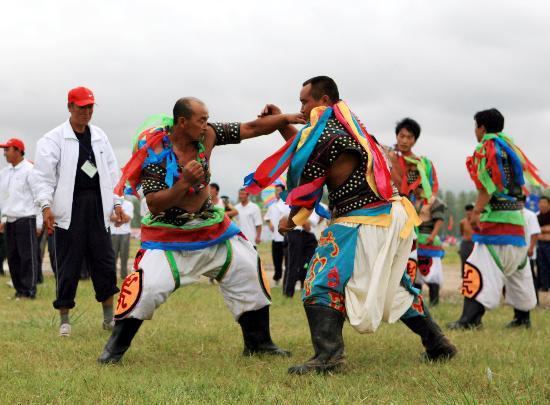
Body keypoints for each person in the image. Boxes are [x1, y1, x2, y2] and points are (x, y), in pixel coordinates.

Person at [248, 76, 456, 374]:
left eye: (304, 101)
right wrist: (283, 123)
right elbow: (307, 149)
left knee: (318, 281)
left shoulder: (328, 133)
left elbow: (308, 178)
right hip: (387, 216)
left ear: (323, 100)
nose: (301, 107)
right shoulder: (345, 127)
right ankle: (437, 344)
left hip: (363, 219)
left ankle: (329, 358)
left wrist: (292, 218)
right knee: (389, 285)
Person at [97, 97, 304, 364]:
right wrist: (184, 183)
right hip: (169, 234)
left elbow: (251, 128)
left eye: (207, 118)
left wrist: (285, 119)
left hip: (211, 227)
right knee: (147, 288)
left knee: (247, 267)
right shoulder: (156, 150)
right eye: (201, 119)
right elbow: (154, 203)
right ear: (182, 122)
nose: (206, 124)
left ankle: (259, 342)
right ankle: (113, 352)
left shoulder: (208, 134)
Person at [32, 86, 123, 337]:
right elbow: (43, 178)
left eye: (90, 107)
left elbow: (113, 174)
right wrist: (46, 206)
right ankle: (65, 320)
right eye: (82, 107)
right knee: (68, 264)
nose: (87, 112)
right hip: (68, 208)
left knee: (104, 262)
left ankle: (108, 318)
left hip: (97, 206)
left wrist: (116, 203)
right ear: (70, 107)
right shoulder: (53, 139)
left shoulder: (100, 137)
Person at [448, 108, 546, 330]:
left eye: (476, 127)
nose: (475, 131)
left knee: (477, 266)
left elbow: (487, 188)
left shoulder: (487, 149)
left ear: (481, 128)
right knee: (518, 270)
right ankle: (523, 318)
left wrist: (476, 213)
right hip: (517, 222)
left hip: (496, 226)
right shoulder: (511, 149)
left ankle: (470, 319)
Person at [386, 118, 444, 306]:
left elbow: (430, 190)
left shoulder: (422, 164)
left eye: (409, 137)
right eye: (401, 135)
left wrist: (424, 206)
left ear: (414, 140)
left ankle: (407, 298)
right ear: (396, 136)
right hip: (388, 211)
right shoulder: (385, 156)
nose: (404, 140)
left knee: (409, 257)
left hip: (412, 217)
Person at [0, 138, 41, 299]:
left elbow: (38, 197)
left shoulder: (30, 170)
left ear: (17, 150)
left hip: (26, 219)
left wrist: (38, 222)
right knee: (13, 257)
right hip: (10, 219)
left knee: (27, 257)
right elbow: (4, 198)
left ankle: (29, 291)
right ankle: (19, 289)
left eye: (7, 149)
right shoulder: (5, 172)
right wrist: (3, 218)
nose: (4, 153)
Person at [411, 185, 446, 306]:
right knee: (415, 274)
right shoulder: (412, 200)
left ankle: (434, 302)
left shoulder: (434, 201)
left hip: (428, 240)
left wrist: (432, 235)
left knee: (432, 273)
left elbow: (439, 219)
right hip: (415, 240)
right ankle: (416, 302)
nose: (414, 190)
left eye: (416, 188)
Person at [283, 210, 319, 298]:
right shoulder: (298, 206)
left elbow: (309, 226)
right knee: (294, 264)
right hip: (297, 233)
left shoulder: (315, 207)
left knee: (308, 264)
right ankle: (288, 292)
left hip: (309, 235)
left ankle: (307, 288)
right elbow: (305, 224)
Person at [264, 183, 289, 286]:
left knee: (288, 260)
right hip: (275, 238)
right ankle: (277, 278)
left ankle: (288, 280)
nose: (276, 193)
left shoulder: (287, 205)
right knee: (276, 260)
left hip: (286, 238)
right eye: (275, 191)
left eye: (278, 190)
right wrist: (269, 223)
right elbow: (267, 217)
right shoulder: (272, 206)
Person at [519, 195, 540, 304]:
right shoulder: (513, 214)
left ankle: (535, 300)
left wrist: (531, 247)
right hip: (516, 253)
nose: (518, 203)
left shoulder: (530, 215)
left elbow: (535, 232)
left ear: (523, 202)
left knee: (530, 276)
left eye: (520, 201)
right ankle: (521, 301)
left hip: (528, 252)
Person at [110, 192, 135, 280]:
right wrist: (121, 216)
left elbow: (128, 218)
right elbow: (109, 217)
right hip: (113, 233)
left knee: (124, 255)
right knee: (113, 256)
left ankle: (124, 275)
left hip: (125, 233)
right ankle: (112, 275)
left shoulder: (129, 204)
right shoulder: (110, 203)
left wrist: (119, 215)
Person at [537, 196, 550, 292]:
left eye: (544, 203)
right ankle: (545, 285)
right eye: (540, 203)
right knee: (542, 266)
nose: (542, 205)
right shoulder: (537, 217)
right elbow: (534, 231)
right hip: (540, 244)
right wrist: (544, 229)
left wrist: (540, 230)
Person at [459, 204, 476, 273]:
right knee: (464, 261)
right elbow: (461, 233)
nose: (469, 212)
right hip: (465, 243)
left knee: (474, 262)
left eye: (470, 211)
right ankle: (463, 277)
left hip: (474, 243)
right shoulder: (462, 222)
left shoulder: (476, 222)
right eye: (467, 211)